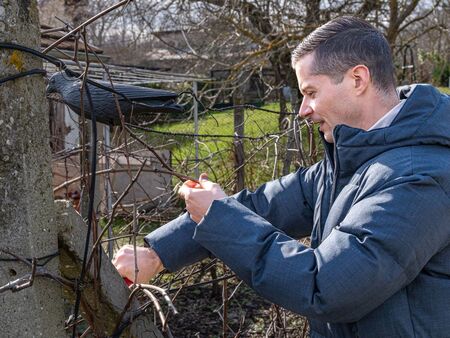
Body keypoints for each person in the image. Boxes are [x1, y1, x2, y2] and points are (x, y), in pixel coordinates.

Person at [113, 16, 450, 337]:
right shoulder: (354, 160)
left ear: (358, 80)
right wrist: (159, 253)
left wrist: (219, 217)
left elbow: (326, 287)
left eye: (312, 93)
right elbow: (262, 206)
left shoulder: (420, 178)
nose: (303, 109)